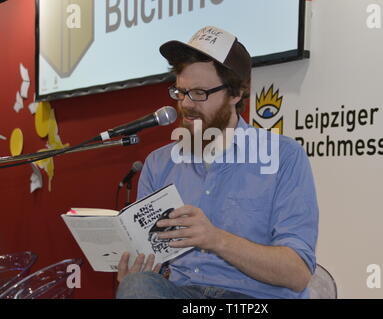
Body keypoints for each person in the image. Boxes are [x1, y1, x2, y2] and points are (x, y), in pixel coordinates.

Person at [116, 26, 319, 299]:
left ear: (235, 94)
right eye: (180, 91)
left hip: (254, 300)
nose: (186, 104)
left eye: (199, 93)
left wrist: (216, 239)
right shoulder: (159, 163)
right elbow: (152, 257)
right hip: (185, 295)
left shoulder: (284, 157)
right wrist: (137, 269)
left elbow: (297, 274)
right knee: (138, 286)